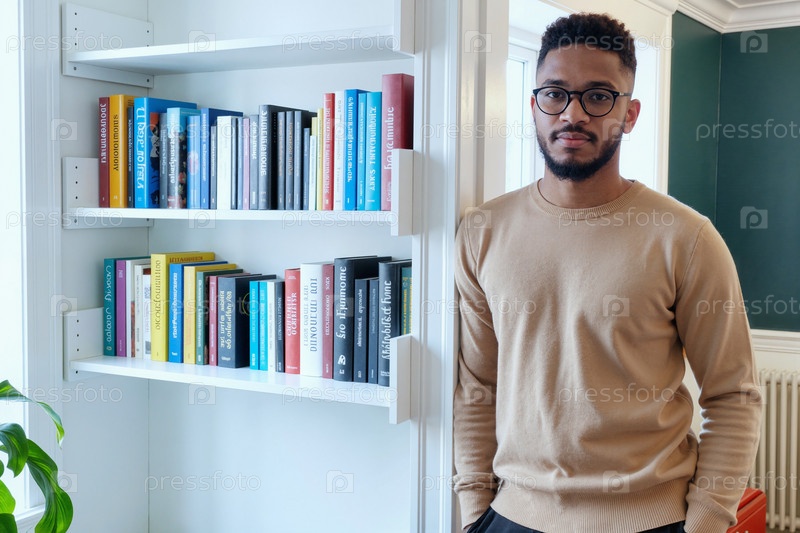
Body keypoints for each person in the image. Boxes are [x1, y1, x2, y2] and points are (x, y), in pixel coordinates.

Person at [452, 12, 762, 533]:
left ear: (630, 113)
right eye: (555, 94)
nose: (572, 114)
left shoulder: (686, 238)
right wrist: (473, 511)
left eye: (598, 96)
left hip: (651, 519)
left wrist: (707, 523)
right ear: (534, 105)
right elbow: (477, 385)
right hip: (509, 516)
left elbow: (734, 395)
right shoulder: (483, 231)